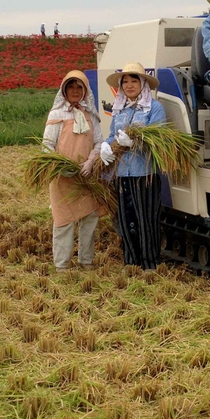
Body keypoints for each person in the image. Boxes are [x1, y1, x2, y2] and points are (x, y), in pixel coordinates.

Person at [100, 62, 166, 270]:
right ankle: (131, 261)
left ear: (143, 83)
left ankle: (149, 264)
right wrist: (106, 146)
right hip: (122, 172)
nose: (129, 85)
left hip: (144, 173)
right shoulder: (119, 109)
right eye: (125, 81)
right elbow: (113, 134)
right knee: (125, 217)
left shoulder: (154, 108)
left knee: (146, 218)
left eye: (133, 80)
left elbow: (159, 139)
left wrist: (135, 142)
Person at [43, 70, 105, 272]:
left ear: (86, 91)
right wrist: (59, 167)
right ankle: (62, 265)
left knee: (89, 218)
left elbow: (99, 143)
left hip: (87, 177)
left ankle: (86, 261)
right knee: (63, 220)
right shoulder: (57, 115)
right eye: (71, 87)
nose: (75, 91)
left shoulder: (90, 115)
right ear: (64, 90)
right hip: (62, 178)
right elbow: (47, 146)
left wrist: (90, 162)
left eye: (80, 87)